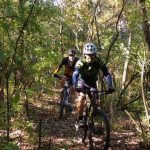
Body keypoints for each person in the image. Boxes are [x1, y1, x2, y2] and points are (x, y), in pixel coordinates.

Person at [72, 42, 115, 127]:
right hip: (82, 81)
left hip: (92, 82)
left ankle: (94, 120)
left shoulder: (99, 61)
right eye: (88, 54)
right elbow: (75, 74)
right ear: (85, 54)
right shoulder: (80, 62)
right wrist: (75, 85)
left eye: (92, 55)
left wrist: (110, 86)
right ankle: (79, 119)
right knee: (81, 99)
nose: (90, 57)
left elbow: (106, 73)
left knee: (96, 102)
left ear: (95, 54)